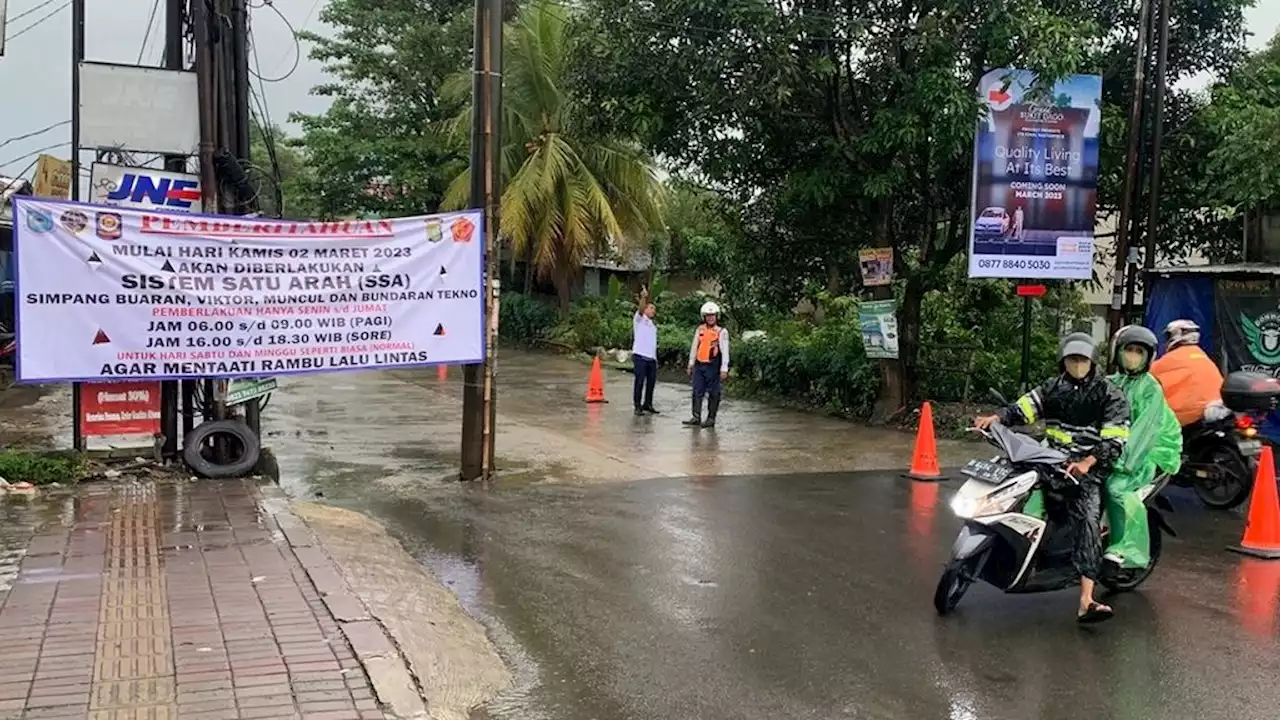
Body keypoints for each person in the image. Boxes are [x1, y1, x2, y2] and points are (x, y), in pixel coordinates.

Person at [974, 332, 1130, 623]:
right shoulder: (1053, 388)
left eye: (1082, 359)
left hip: (1087, 470)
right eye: (1072, 359)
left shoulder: (1109, 394)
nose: (1077, 364)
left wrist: (1087, 462)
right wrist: (995, 419)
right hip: (1052, 459)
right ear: (1063, 362)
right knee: (1013, 485)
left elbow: (1115, 438)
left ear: (1092, 361)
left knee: (1087, 519)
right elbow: (1022, 409)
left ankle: (1086, 598)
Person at [1104, 325, 1182, 571]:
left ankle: (1122, 549)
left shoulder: (1151, 389)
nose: (1133, 355)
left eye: (1139, 351)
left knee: (1116, 487)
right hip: (1118, 446)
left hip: (1153, 449)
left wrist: (1121, 464)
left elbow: (1143, 433)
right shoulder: (1111, 382)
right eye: (1129, 349)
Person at [1149, 320, 1225, 427]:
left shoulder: (1171, 359)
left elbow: (1146, 376)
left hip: (1187, 418)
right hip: (1214, 412)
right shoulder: (1201, 356)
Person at [683, 301, 729, 429]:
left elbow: (725, 352)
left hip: (713, 366)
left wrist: (724, 369)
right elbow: (694, 347)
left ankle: (710, 418)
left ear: (716, 316)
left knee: (714, 393)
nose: (710, 318)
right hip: (699, 365)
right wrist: (691, 364)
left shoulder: (721, 332)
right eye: (708, 315)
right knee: (697, 391)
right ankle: (696, 416)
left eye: (712, 315)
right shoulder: (700, 330)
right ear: (704, 317)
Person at [632, 286, 659, 416]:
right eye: (651, 308)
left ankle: (647, 403)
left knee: (651, 382)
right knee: (640, 381)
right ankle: (637, 405)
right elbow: (641, 309)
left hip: (651, 358)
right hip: (640, 356)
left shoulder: (653, 325)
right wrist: (643, 297)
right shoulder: (639, 319)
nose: (654, 311)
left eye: (654, 309)